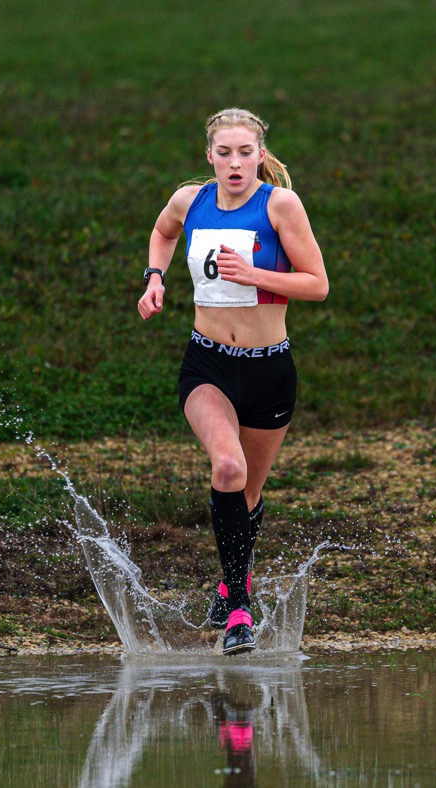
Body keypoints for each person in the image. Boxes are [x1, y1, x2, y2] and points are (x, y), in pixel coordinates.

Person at [137, 108, 328, 655]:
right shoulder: (189, 200)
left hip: (270, 370)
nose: (235, 163)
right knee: (227, 467)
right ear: (210, 157)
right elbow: (163, 230)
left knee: (247, 493)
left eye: (245, 153)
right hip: (208, 365)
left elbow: (317, 284)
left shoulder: (280, 205)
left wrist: (255, 275)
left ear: (260, 156)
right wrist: (155, 277)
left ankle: (228, 585)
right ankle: (239, 612)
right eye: (225, 153)